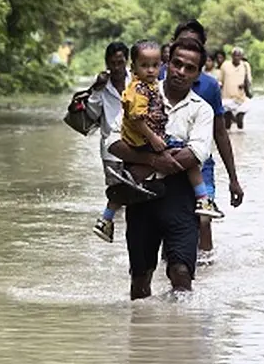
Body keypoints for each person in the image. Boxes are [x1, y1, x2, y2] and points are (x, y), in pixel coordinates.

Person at [106, 38, 215, 299]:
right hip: (140, 195)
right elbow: (112, 142)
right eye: (177, 64)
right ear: (167, 63)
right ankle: (143, 335)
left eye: (190, 68)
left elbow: (197, 152)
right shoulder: (136, 95)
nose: (181, 71)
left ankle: (180, 333)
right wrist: (153, 161)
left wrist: (158, 160)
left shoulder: (202, 110)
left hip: (181, 196)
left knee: (181, 273)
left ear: (197, 74)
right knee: (140, 278)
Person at [94, 40, 222, 242]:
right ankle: (203, 199)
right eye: (145, 66)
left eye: (154, 65)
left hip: (150, 152)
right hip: (143, 140)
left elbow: (199, 150)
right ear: (134, 68)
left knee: (129, 181)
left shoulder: (154, 90)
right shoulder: (140, 90)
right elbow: (133, 121)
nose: (151, 70)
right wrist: (153, 152)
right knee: (185, 155)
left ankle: (106, 219)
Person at [168, 21, 245, 264]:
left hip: (201, 164)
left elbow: (220, 133)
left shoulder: (210, 86)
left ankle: (205, 267)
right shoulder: (157, 78)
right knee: (166, 223)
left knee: (203, 217)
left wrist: (234, 178)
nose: (182, 71)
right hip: (164, 162)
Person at [84, 41, 130, 188]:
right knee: (115, 192)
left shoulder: (136, 81)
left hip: (136, 145)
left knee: (136, 191)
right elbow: (92, 114)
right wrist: (97, 90)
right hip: (110, 147)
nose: (116, 67)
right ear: (107, 63)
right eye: (112, 63)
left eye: (120, 62)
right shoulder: (101, 85)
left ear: (127, 61)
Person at [219, 46, 252, 130]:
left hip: (241, 98)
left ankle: (241, 138)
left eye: (239, 55)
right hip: (226, 98)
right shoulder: (225, 65)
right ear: (231, 56)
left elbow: (249, 80)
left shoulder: (245, 65)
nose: (236, 57)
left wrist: (245, 85)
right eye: (235, 55)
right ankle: (228, 138)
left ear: (241, 56)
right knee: (227, 123)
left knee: (240, 120)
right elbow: (220, 81)